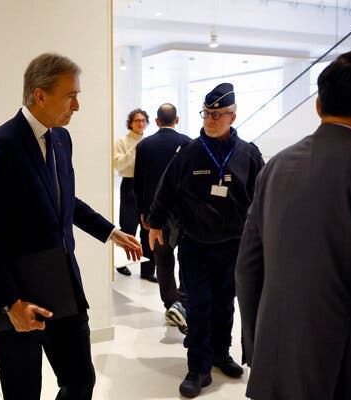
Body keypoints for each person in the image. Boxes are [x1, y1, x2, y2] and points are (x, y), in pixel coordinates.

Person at [236, 51, 351, 400]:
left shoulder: (277, 166)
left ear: (318, 106)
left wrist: (261, 349)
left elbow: (247, 266)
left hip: (277, 368)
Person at [0, 53, 142, 400]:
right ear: (40, 95)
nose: (76, 105)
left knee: (80, 381)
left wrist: (110, 232)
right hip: (18, 290)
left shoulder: (61, 139)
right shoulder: (1, 145)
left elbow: (66, 201)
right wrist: (11, 302)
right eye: (70, 95)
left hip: (62, 283)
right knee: (23, 391)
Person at [148, 83, 264, 398]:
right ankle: (197, 366)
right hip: (195, 244)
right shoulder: (189, 152)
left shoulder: (248, 154)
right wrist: (155, 223)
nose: (210, 120)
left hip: (233, 245)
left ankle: (220, 353)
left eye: (217, 115)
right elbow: (166, 189)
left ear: (233, 116)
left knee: (226, 303)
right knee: (199, 305)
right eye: (206, 113)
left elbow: (262, 198)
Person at [133, 103, 191, 334]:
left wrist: (143, 212)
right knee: (186, 259)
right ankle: (182, 304)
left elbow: (138, 183)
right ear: (176, 120)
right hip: (183, 214)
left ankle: (170, 304)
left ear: (156, 122)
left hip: (156, 215)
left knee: (163, 260)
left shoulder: (144, 145)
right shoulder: (188, 143)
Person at [113, 109, 156, 281]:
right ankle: (122, 264)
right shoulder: (122, 141)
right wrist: (134, 150)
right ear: (130, 123)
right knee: (128, 227)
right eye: (137, 120)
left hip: (146, 187)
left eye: (144, 120)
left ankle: (147, 271)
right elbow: (119, 166)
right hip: (129, 185)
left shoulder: (149, 142)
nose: (140, 123)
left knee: (147, 228)